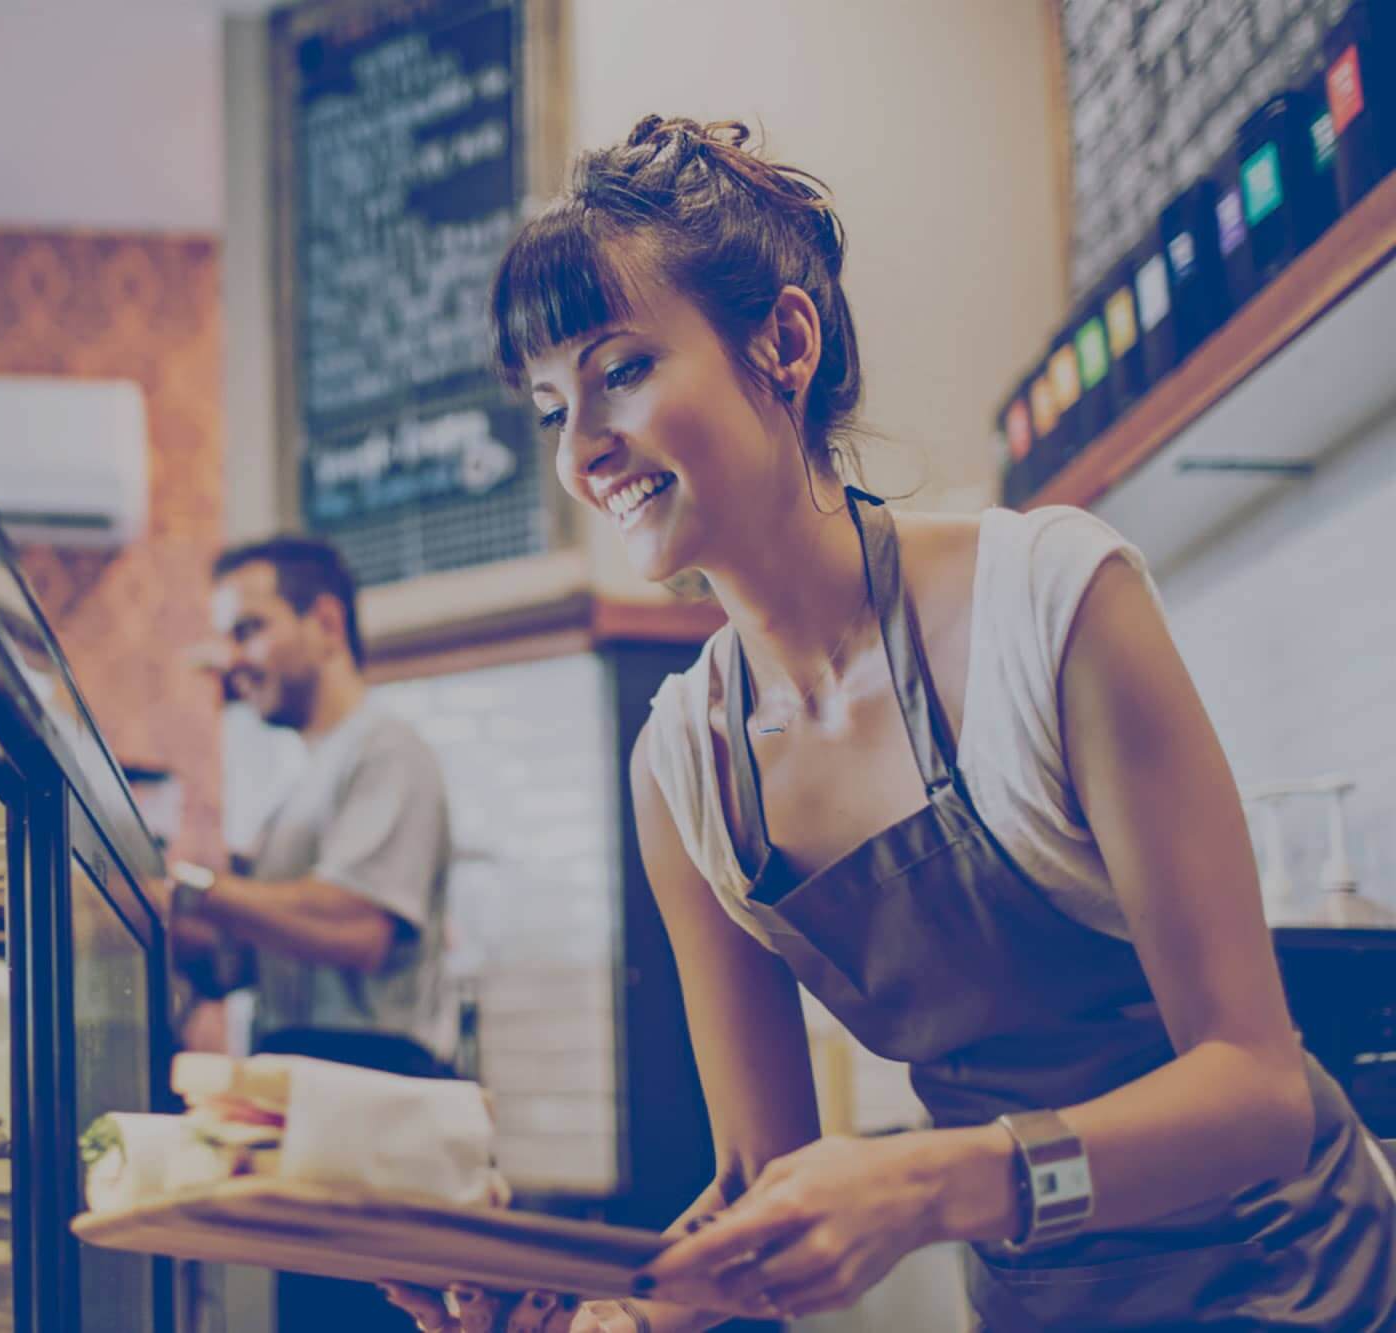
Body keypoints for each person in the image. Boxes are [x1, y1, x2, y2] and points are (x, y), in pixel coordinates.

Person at [384, 116, 1396, 1333]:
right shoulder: (686, 767)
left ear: (784, 342)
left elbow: (1257, 1093)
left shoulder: (1049, 604)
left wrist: (936, 1179)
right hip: (1042, 1305)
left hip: (1296, 1279)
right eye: (550, 408)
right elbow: (757, 1189)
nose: (583, 450)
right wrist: (603, 1308)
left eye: (622, 370)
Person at [153, 535, 455, 1330]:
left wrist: (199, 891)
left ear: (325, 621)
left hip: (373, 1092)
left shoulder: (386, 750)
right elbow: (235, 957)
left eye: (248, 629)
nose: (232, 659)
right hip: (309, 1089)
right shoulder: (297, 787)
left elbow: (359, 927)